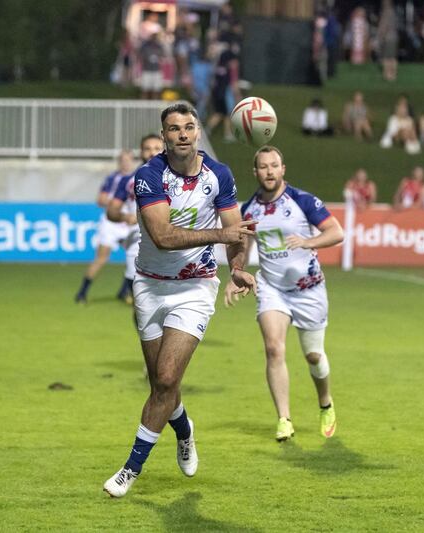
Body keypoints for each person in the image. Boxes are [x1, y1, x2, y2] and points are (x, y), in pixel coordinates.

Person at [102, 102, 257, 498]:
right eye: (174, 128)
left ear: (199, 132)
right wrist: (222, 238)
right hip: (150, 286)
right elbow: (163, 237)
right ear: (164, 136)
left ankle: (130, 470)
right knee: (160, 384)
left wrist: (237, 266)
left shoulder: (218, 175)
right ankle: (184, 430)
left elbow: (236, 231)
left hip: (195, 287)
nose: (183, 134)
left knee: (168, 378)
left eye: (189, 126)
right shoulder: (148, 176)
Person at [225, 145, 344, 441]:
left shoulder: (303, 201)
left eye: (274, 165)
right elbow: (242, 247)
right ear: (255, 172)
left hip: (309, 289)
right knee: (274, 348)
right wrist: (236, 272)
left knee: (314, 356)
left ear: (283, 169)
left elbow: (336, 232)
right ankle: (284, 419)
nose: (269, 171)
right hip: (272, 288)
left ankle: (325, 403)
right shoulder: (249, 209)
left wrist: (307, 241)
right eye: (263, 166)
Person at [104, 134, 166, 303]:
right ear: (141, 153)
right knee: (141, 306)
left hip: (169, 243)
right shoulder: (129, 180)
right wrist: (124, 216)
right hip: (138, 244)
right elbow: (112, 211)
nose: (152, 153)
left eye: (157, 148)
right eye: (148, 149)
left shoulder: (176, 178)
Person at [74, 150, 136, 304]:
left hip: (130, 223)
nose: (126, 163)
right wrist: (118, 202)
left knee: (136, 258)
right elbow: (101, 200)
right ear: (119, 162)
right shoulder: (113, 179)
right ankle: (82, 292)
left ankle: (124, 291)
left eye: (128, 160)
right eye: (123, 160)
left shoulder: (138, 177)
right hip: (112, 222)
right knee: (102, 258)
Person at [205, 42, 239, 143]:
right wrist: (237, 95)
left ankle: (206, 130)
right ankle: (228, 134)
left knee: (219, 113)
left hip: (216, 93)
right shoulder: (230, 70)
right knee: (228, 114)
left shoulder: (218, 68)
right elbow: (233, 84)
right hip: (225, 94)